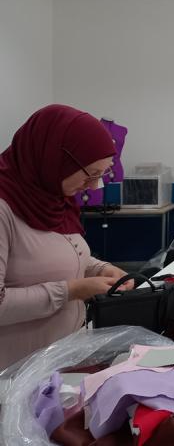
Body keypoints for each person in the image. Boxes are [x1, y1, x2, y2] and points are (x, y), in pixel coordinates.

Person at [0, 104, 133, 370]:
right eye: (90, 175)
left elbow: (57, 253)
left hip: (59, 358)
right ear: (55, 158)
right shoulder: (5, 207)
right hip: (14, 374)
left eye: (101, 176)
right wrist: (72, 291)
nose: (93, 186)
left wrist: (100, 268)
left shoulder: (53, 198)